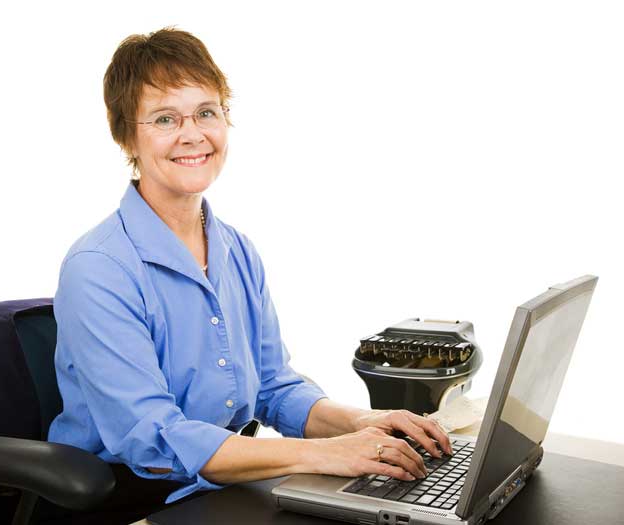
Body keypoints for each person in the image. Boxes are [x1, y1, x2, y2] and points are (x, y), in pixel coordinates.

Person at [48, 26, 452, 514]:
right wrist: (328, 455)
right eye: (164, 118)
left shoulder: (235, 249)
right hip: (134, 497)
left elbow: (275, 386)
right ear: (124, 135)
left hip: (229, 482)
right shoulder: (99, 269)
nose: (192, 134)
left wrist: (368, 423)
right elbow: (156, 441)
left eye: (206, 112)